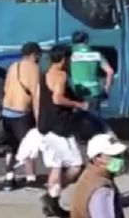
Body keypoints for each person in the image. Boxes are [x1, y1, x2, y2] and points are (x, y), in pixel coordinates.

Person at [37, 44, 87, 217]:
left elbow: (40, 99)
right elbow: (57, 99)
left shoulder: (44, 74)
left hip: (46, 126)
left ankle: (52, 202)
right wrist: (77, 104)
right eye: (69, 58)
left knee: (56, 166)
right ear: (64, 59)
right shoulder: (61, 75)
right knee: (76, 165)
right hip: (60, 127)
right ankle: (51, 197)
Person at [2, 42, 41, 191]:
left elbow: (6, 88)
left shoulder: (13, 66)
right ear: (34, 54)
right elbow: (36, 96)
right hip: (21, 112)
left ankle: (9, 178)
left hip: (6, 111)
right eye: (39, 55)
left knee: (10, 147)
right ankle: (30, 179)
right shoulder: (34, 68)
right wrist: (38, 120)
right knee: (28, 146)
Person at [69, 134, 128, 218]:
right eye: (113, 156)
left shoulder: (89, 175)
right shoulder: (102, 189)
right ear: (97, 158)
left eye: (119, 155)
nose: (118, 159)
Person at [69, 31, 114, 136]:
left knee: (75, 117)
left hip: (77, 91)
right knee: (95, 117)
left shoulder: (70, 55)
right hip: (94, 91)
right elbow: (110, 71)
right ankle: (106, 135)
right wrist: (106, 88)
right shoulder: (96, 55)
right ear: (86, 41)